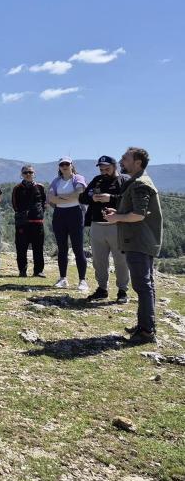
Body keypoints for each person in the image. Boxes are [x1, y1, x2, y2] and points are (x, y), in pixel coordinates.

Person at [104, 147, 164, 344]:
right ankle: (146, 325)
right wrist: (118, 213)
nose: (121, 161)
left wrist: (116, 218)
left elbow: (138, 215)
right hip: (141, 240)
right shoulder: (138, 181)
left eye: (125, 158)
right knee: (146, 285)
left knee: (142, 286)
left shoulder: (139, 184)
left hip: (139, 241)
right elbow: (137, 211)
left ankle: (146, 332)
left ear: (137, 163)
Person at [79, 155, 130, 301]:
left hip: (118, 225)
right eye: (101, 169)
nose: (104, 172)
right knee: (99, 260)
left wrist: (111, 198)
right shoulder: (97, 180)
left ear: (114, 166)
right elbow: (82, 198)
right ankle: (102, 289)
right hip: (97, 225)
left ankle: (122, 291)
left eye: (107, 169)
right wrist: (92, 198)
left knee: (121, 260)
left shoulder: (124, 180)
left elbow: (130, 200)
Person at [47, 157, 89, 291]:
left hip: (75, 214)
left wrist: (60, 198)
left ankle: (82, 280)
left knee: (78, 248)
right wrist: (69, 197)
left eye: (67, 164)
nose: (64, 166)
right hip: (59, 215)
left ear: (71, 165)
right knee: (62, 248)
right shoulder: (56, 181)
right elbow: (50, 198)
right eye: (62, 164)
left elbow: (79, 194)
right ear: (59, 167)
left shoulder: (78, 178)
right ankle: (63, 279)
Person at [11, 165, 47, 277]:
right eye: (25, 172)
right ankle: (22, 271)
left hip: (37, 222)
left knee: (38, 248)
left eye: (30, 172)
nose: (28, 174)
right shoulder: (17, 188)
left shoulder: (40, 187)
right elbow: (15, 205)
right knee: (21, 248)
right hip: (22, 223)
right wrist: (23, 214)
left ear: (34, 174)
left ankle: (38, 271)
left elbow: (44, 203)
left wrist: (39, 213)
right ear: (21, 174)